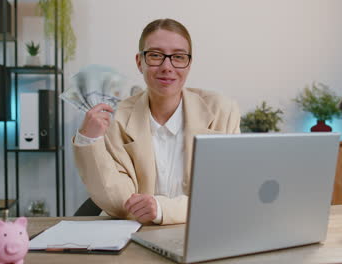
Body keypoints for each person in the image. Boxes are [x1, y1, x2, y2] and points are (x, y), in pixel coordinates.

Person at [73, 18, 240, 225]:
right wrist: (88, 141)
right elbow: (119, 202)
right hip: (134, 236)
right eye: (155, 55)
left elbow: (222, 198)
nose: (167, 67)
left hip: (202, 231)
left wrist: (162, 209)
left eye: (178, 57)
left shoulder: (222, 111)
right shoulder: (116, 118)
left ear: (189, 64)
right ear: (139, 62)